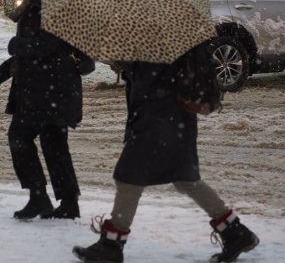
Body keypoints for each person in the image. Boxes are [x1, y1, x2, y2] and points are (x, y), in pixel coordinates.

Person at [72, 41, 259, 263]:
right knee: (186, 179)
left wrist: (131, 64)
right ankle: (235, 232)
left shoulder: (158, 40)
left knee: (128, 177)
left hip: (159, 122)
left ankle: (112, 245)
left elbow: (153, 82)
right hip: (172, 122)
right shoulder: (164, 36)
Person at [0, 0, 95, 220]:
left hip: (46, 91)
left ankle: (39, 197)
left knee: (20, 138)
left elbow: (43, 47)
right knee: (54, 146)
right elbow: (40, 50)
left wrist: (14, 45)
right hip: (51, 89)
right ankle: (67, 203)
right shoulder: (46, 0)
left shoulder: (49, 4)